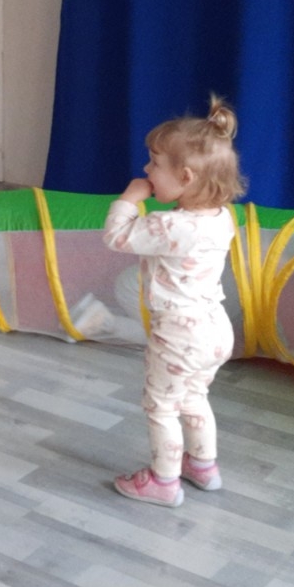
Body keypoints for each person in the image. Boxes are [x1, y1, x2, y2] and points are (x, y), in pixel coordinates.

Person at [102, 96, 245, 507]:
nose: (146, 171)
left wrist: (128, 200)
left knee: (161, 406)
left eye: (154, 164)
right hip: (214, 330)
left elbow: (115, 238)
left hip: (179, 334)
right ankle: (202, 465)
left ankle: (164, 481)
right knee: (194, 398)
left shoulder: (168, 225)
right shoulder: (222, 217)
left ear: (185, 177)